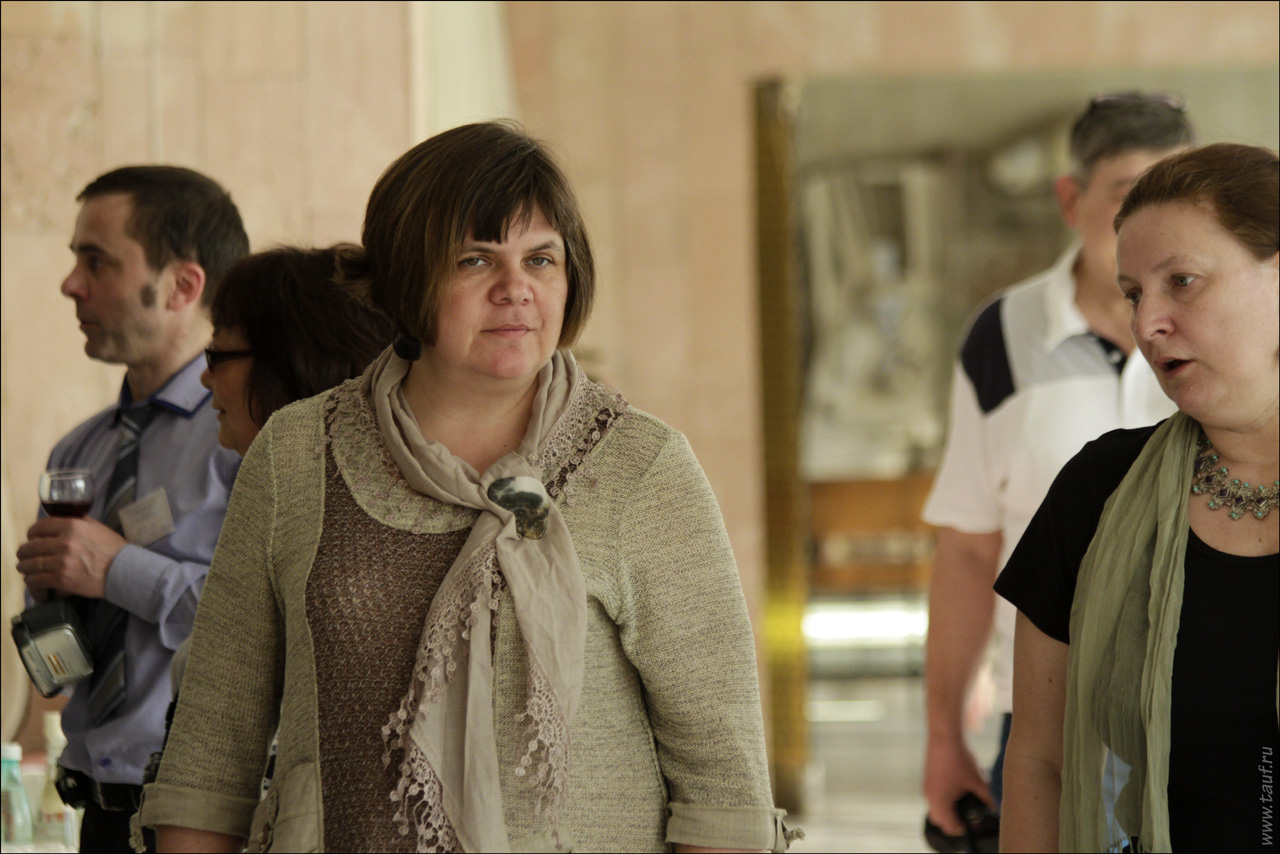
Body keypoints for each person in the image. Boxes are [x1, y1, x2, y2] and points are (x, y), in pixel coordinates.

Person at [139, 121, 796, 853]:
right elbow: (211, 751)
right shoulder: (296, 455)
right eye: (475, 260)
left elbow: (723, 785)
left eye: (541, 259)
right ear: (405, 279)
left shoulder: (640, 467)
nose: (516, 290)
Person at [921, 92, 1193, 836]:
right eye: (1130, 194)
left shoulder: (1231, 331)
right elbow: (968, 549)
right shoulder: (1002, 337)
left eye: (1176, 195)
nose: (1156, 223)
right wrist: (944, 736)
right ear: (1071, 200)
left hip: (1206, 710)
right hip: (1051, 719)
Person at [995, 143, 1279, 851]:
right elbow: (1039, 762)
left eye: (1182, 281)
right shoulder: (1099, 491)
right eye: (1132, 293)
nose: (1147, 322)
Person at [12, 165, 249, 853]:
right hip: (96, 812)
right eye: (75, 260)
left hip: (202, 819)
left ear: (183, 286)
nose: (70, 284)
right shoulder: (77, 451)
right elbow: (61, 675)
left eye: (98, 261)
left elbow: (268, 625)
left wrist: (118, 571)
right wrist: (50, 610)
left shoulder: (246, 437)